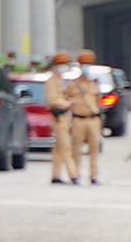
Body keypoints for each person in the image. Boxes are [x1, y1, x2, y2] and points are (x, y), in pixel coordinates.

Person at [69, 49, 105, 185]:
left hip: (93, 119)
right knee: (76, 149)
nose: (86, 66)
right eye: (83, 64)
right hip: (78, 119)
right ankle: (75, 174)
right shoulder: (73, 84)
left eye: (88, 64)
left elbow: (98, 101)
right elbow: (68, 99)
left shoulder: (95, 83)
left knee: (94, 149)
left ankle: (93, 175)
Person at [44, 51, 78, 184]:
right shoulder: (51, 81)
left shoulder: (63, 81)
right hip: (58, 116)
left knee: (58, 148)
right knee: (66, 146)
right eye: (60, 64)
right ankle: (73, 175)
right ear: (55, 65)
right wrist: (68, 103)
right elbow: (52, 100)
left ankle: (55, 175)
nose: (63, 66)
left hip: (65, 116)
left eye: (65, 64)